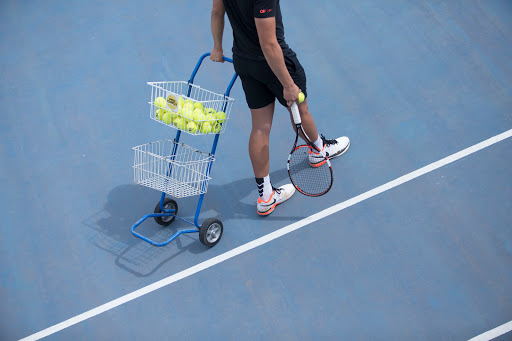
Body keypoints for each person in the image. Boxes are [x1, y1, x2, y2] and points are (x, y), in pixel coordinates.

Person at [210, 0, 350, 216]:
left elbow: (217, 12)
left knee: (259, 128)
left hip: (245, 63)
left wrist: (217, 47)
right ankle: (320, 151)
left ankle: (266, 196)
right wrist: (288, 84)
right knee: (300, 111)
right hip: (274, 64)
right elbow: (269, 44)